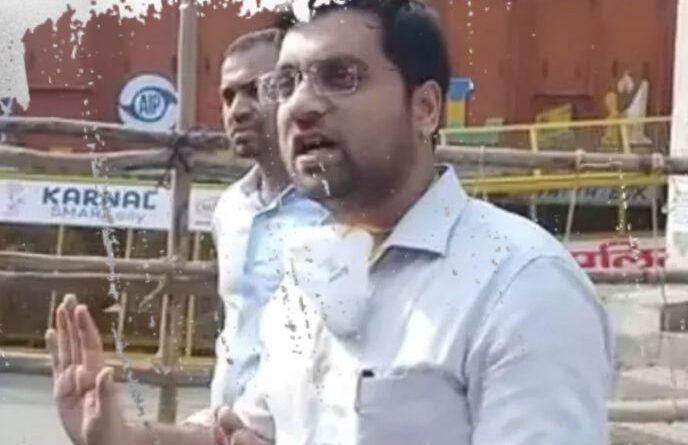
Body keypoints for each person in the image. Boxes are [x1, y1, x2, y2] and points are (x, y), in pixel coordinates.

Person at [214, 1, 614, 444]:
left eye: (341, 77)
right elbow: (256, 428)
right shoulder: (304, 278)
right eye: (287, 84)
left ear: (425, 108)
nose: (301, 105)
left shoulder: (522, 286)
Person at [44, 27, 327, 445]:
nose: (237, 110)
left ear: (293, 91)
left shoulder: (340, 211)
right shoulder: (230, 211)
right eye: (228, 96)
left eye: (255, 90)